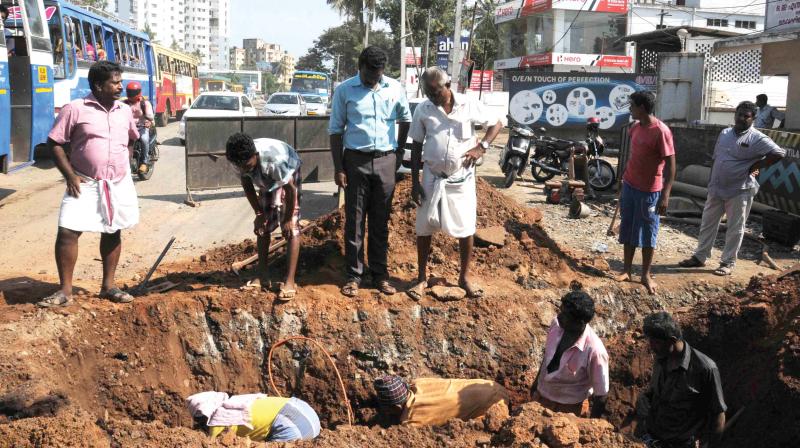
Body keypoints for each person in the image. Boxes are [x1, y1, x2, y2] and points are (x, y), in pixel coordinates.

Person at [36, 61, 140, 307]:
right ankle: (64, 291)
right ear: (98, 85)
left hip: (117, 182)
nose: (120, 86)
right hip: (84, 181)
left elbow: (132, 139)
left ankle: (108, 287)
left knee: (113, 230)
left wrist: (126, 164)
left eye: (120, 81)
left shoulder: (124, 111)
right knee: (67, 231)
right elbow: (54, 143)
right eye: (115, 82)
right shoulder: (75, 109)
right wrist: (70, 175)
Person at [406, 67, 503, 301]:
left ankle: (464, 277)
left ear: (447, 85)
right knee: (424, 227)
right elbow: (417, 145)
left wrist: (482, 147)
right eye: (428, 93)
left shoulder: (469, 105)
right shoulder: (424, 108)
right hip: (431, 177)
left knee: (466, 227)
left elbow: (497, 123)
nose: (432, 97)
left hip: (462, 179)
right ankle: (421, 278)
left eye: (436, 92)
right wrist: (414, 182)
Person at [328, 46, 412, 298]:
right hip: (355, 161)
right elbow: (335, 131)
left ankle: (379, 275)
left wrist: (398, 153)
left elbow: (405, 118)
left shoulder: (394, 88)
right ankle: (354, 275)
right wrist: (338, 167)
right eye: (368, 74)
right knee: (354, 221)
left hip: (386, 160)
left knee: (380, 221)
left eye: (377, 74)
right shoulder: (345, 90)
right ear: (360, 66)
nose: (373, 79)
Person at [679, 101, 786, 276]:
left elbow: (779, 153)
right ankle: (700, 257)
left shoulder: (757, 138)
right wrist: (712, 180)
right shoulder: (725, 133)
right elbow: (717, 158)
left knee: (735, 228)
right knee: (707, 223)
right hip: (717, 187)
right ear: (734, 115)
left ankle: (727, 262)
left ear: (753, 119)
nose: (741, 118)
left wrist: (757, 165)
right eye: (739, 114)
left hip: (740, 190)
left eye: (746, 116)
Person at [225, 133, 301, 301]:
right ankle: (263, 276)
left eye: (247, 164)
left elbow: (290, 190)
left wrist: (288, 219)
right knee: (262, 227)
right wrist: (259, 213)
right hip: (264, 174)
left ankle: (289, 281)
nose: (244, 169)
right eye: (240, 166)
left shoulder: (276, 161)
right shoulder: (238, 161)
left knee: (292, 228)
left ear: (256, 156)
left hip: (288, 168)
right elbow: (247, 184)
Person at [637, 312, 726, 448]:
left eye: (656, 342)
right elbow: (655, 393)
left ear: (672, 341)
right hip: (652, 438)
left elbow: (718, 414)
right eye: (650, 341)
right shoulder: (661, 358)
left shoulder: (705, 368)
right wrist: (644, 398)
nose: (651, 346)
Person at [616, 91, 676, 294]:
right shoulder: (635, 128)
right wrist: (623, 179)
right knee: (628, 226)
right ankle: (626, 270)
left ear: (641, 107)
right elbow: (633, 157)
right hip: (630, 185)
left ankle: (646, 274)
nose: (629, 109)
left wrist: (665, 195)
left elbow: (671, 166)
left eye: (632, 105)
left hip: (649, 191)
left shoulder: (661, 131)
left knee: (649, 232)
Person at [531, 289, 609, 418]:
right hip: (541, 397)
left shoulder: (595, 351)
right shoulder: (557, 325)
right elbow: (547, 357)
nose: (559, 316)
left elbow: (601, 394)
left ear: (580, 322)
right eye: (560, 311)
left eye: (565, 315)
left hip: (570, 409)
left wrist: (592, 426)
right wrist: (536, 384)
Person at [373, 375, 509, 427]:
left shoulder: (410, 421)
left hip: (494, 409)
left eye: (388, 409)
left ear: (397, 407)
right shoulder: (419, 382)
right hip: (496, 387)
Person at [186, 391, 320, 442]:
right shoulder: (237, 401)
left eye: (199, 420)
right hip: (311, 419)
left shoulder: (218, 420)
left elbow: (209, 443)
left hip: (292, 428)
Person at [123, 81, 155, 175]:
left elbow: (150, 115)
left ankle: (144, 162)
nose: (130, 94)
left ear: (138, 93)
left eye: (132, 92)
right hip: (129, 129)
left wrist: (148, 120)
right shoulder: (124, 103)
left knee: (144, 139)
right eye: (129, 92)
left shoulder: (144, 103)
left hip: (142, 127)